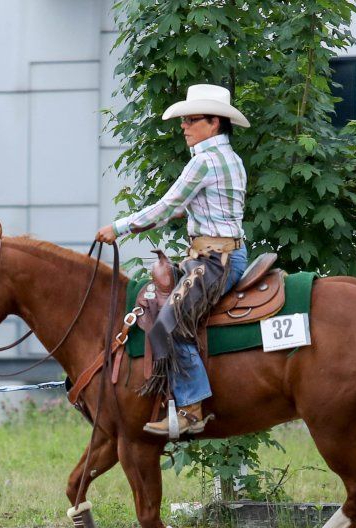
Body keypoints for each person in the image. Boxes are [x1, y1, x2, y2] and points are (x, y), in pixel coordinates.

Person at [96, 84, 250, 437]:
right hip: (221, 253)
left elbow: (166, 207)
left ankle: (191, 409)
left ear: (214, 122)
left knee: (167, 323)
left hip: (215, 261)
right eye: (184, 120)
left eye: (191, 120)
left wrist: (118, 228)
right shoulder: (230, 158)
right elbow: (200, 207)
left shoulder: (204, 161)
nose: (184, 126)